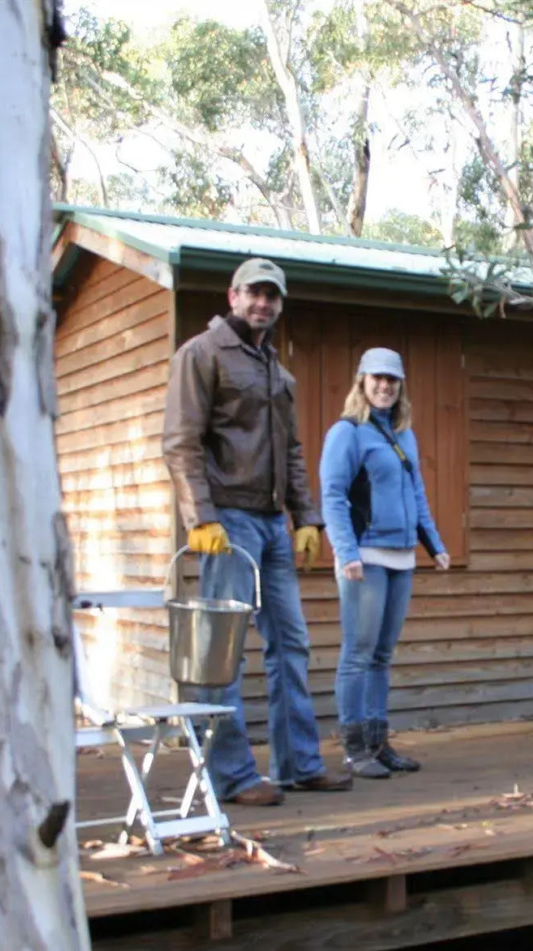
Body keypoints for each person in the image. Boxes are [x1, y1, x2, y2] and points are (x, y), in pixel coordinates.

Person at [162, 257, 353, 806]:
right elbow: (180, 442)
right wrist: (201, 517)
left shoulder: (276, 369)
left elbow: (291, 452)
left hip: (271, 524)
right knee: (223, 653)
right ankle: (232, 776)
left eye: (272, 296)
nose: (263, 304)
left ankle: (298, 764)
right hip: (226, 521)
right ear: (233, 296)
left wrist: (307, 518)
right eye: (254, 294)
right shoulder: (200, 355)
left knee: (290, 643)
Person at [319, 348, 450, 778]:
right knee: (357, 653)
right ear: (362, 381)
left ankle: (378, 743)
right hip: (364, 558)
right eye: (377, 378)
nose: (384, 386)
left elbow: (417, 494)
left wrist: (434, 544)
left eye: (392, 380)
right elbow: (333, 496)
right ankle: (355, 750)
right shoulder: (347, 432)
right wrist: (346, 552)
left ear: (400, 386)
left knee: (381, 656)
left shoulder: (402, 434)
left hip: (401, 558)